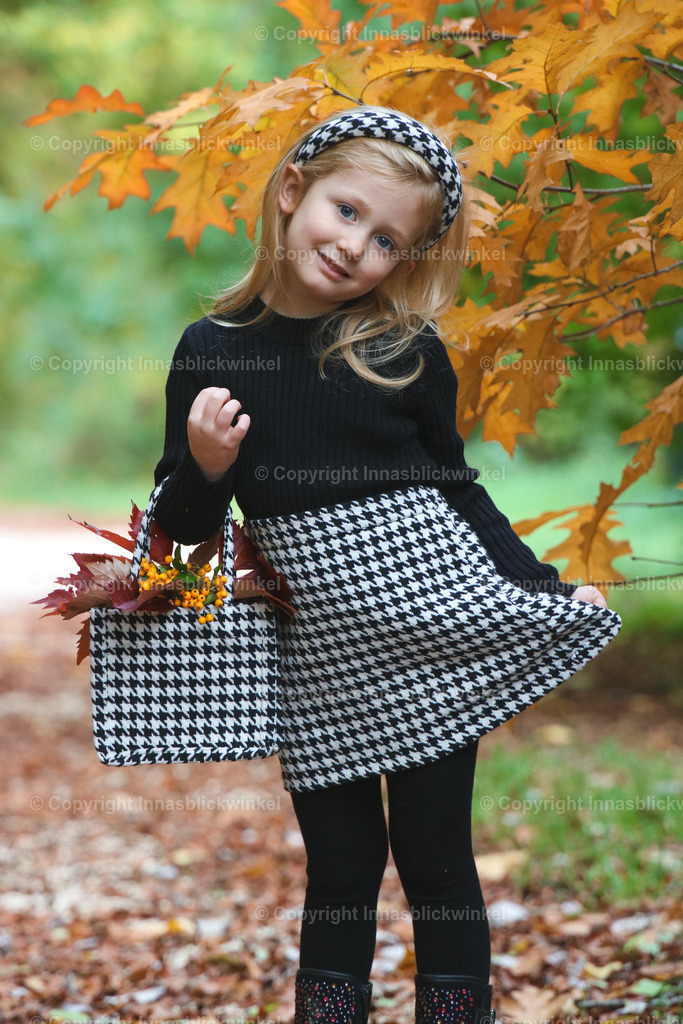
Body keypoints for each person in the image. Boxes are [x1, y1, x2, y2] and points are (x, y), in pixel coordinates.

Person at [150, 105, 622, 1024]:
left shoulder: (399, 350)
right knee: (339, 867)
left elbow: (456, 488)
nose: (355, 246)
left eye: (386, 240)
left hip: (429, 640)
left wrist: (541, 590)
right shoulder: (211, 352)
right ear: (293, 192)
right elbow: (180, 530)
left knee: (438, 858)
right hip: (318, 660)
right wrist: (207, 466)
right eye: (345, 211)